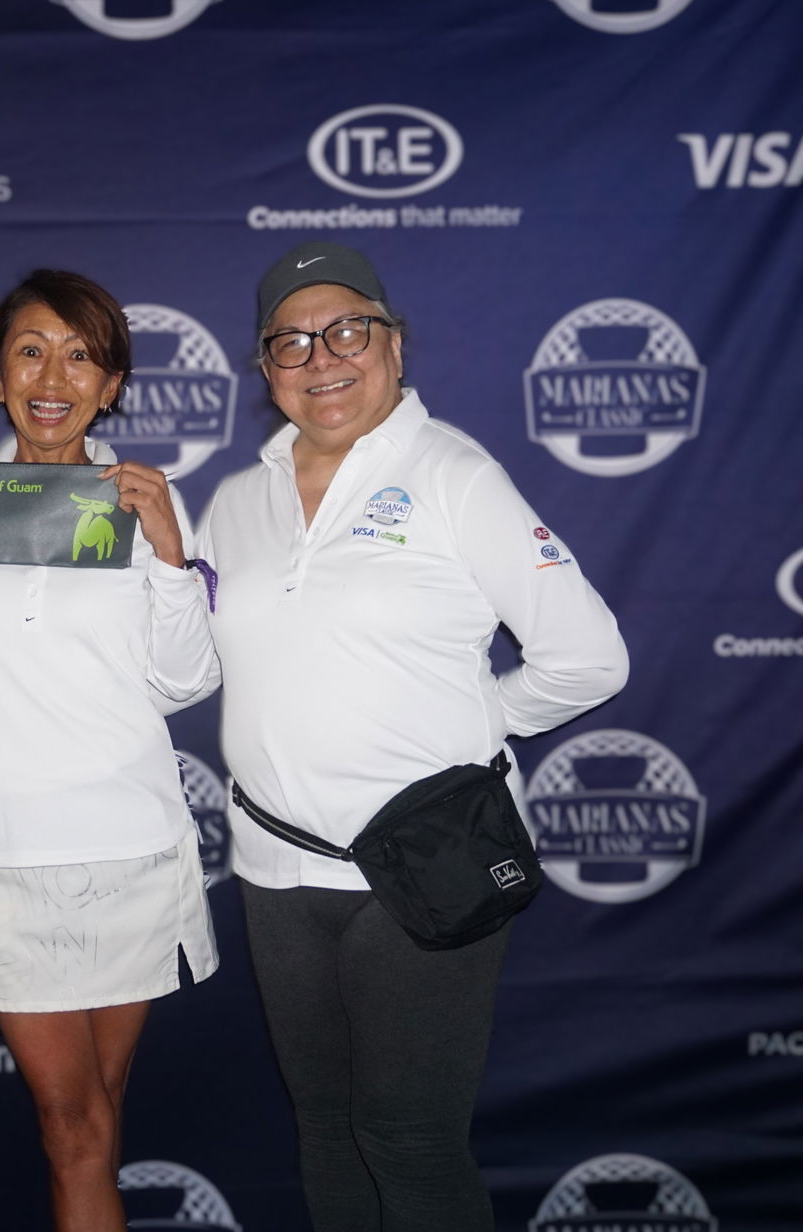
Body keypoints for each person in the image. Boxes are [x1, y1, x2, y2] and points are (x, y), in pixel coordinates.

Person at [195, 241, 628, 1232]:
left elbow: (589, 658)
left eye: (347, 330)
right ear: (266, 369)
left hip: (425, 862)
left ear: (394, 344)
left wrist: (477, 719)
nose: (322, 358)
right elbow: (198, 660)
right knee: (326, 1129)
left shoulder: (451, 473)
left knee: (410, 1141)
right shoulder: (238, 499)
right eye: (292, 341)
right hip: (276, 868)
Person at [0, 270, 220, 1232]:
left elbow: (185, 681)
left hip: (131, 848)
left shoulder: (143, 500)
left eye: (80, 356)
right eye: (30, 352)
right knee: (71, 1124)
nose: (53, 377)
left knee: (97, 1119)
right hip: (4, 853)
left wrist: (172, 554)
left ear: (111, 386)